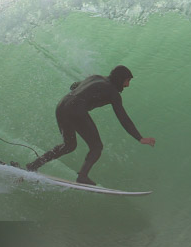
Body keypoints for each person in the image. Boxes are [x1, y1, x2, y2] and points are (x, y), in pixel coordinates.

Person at [25, 65, 156, 185]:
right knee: (97, 146)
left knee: (69, 146)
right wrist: (139, 138)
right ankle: (82, 176)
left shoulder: (95, 77)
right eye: (127, 80)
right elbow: (123, 118)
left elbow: (73, 86)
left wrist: (87, 92)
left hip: (62, 106)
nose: (127, 85)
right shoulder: (113, 93)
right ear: (120, 79)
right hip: (76, 110)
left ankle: (33, 165)